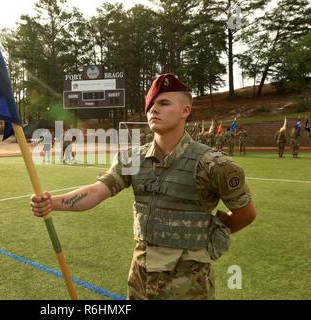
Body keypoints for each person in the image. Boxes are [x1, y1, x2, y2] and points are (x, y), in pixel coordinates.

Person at [30, 73, 256, 300]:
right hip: (140, 281)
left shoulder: (213, 164)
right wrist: (53, 203)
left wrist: (204, 233)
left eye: (164, 103)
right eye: (150, 105)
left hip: (188, 288)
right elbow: (97, 190)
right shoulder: (132, 159)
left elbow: (245, 214)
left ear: (185, 111)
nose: (153, 110)